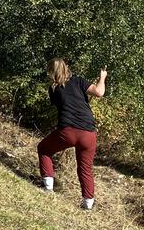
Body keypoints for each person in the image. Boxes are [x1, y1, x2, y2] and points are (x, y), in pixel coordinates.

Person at [37, 59, 107, 210]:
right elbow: (99, 92)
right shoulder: (78, 80)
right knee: (85, 168)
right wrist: (103, 77)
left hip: (67, 131)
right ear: (66, 68)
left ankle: (48, 188)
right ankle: (88, 204)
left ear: (51, 72)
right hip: (89, 133)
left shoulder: (53, 89)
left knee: (44, 149)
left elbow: (62, 104)